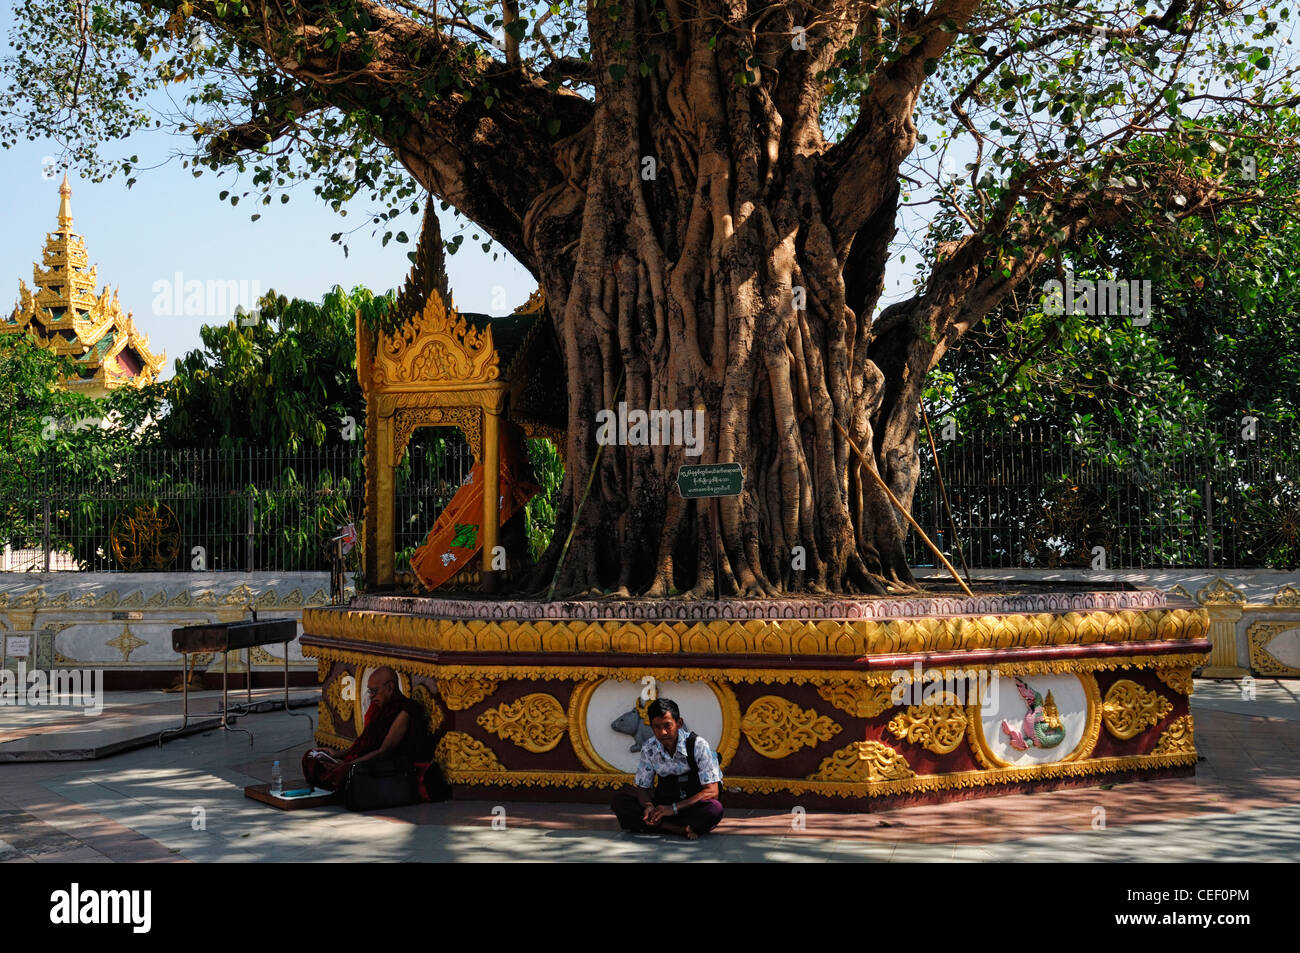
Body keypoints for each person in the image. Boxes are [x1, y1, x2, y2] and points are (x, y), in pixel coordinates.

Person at [610, 698, 724, 839]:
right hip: (663, 807)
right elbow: (643, 787)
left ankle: (658, 827)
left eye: (667, 726)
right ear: (651, 727)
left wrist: (674, 809)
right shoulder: (649, 747)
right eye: (657, 727)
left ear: (679, 723)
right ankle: (679, 829)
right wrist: (648, 806)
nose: (663, 732)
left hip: (689, 807)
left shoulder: (698, 745)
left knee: (714, 809)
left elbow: (712, 792)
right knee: (620, 801)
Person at [301, 667, 429, 791]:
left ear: (390, 688)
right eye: (370, 691)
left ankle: (339, 780)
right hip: (360, 760)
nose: (372, 696)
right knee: (311, 757)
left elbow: (383, 752)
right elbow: (363, 743)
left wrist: (349, 765)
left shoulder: (405, 711)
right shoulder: (378, 707)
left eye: (374, 691)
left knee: (341, 773)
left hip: (382, 767)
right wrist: (336, 754)